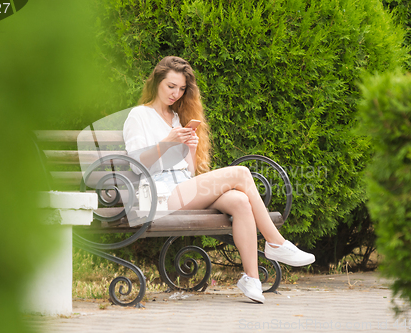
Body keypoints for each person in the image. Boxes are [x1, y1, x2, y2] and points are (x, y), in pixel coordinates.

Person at [123, 56, 315, 304]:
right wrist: (166, 143)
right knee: (241, 173)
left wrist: (190, 149)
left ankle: (251, 279)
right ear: (157, 81)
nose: (175, 94)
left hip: (183, 187)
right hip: (160, 194)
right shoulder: (138, 115)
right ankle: (275, 242)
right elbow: (136, 164)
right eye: (171, 86)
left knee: (239, 201)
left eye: (181, 89)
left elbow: (189, 173)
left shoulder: (175, 118)